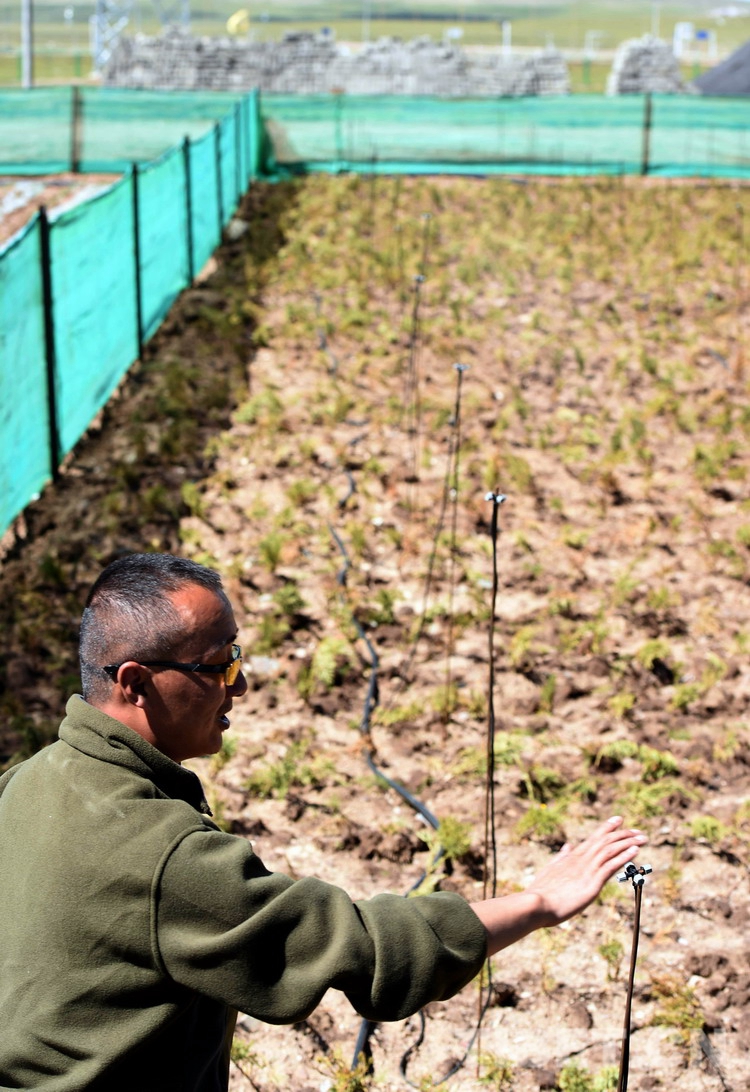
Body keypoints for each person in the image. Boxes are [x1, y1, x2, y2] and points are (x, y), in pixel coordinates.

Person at [0, 553, 646, 1092]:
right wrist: (538, 903)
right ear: (136, 683)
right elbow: (364, 949)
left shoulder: (24, 782)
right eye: (218, 665)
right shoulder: (162, 855)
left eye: (236, 656)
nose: (239, 685)